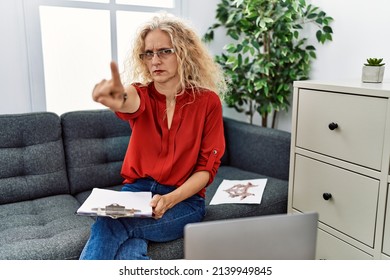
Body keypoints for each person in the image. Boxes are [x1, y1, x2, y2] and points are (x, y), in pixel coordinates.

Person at [79, 13, 227, 260]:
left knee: (110, 223)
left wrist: (169, 200)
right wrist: (115, 98)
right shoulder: (141, 94)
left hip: (185, 200)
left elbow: (206, 170)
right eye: (148, 53)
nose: (155, 60)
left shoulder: (207, 102)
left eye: (164, 51)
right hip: (136, 192)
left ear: (184, 52)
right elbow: (128, 101)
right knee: (124, 238)